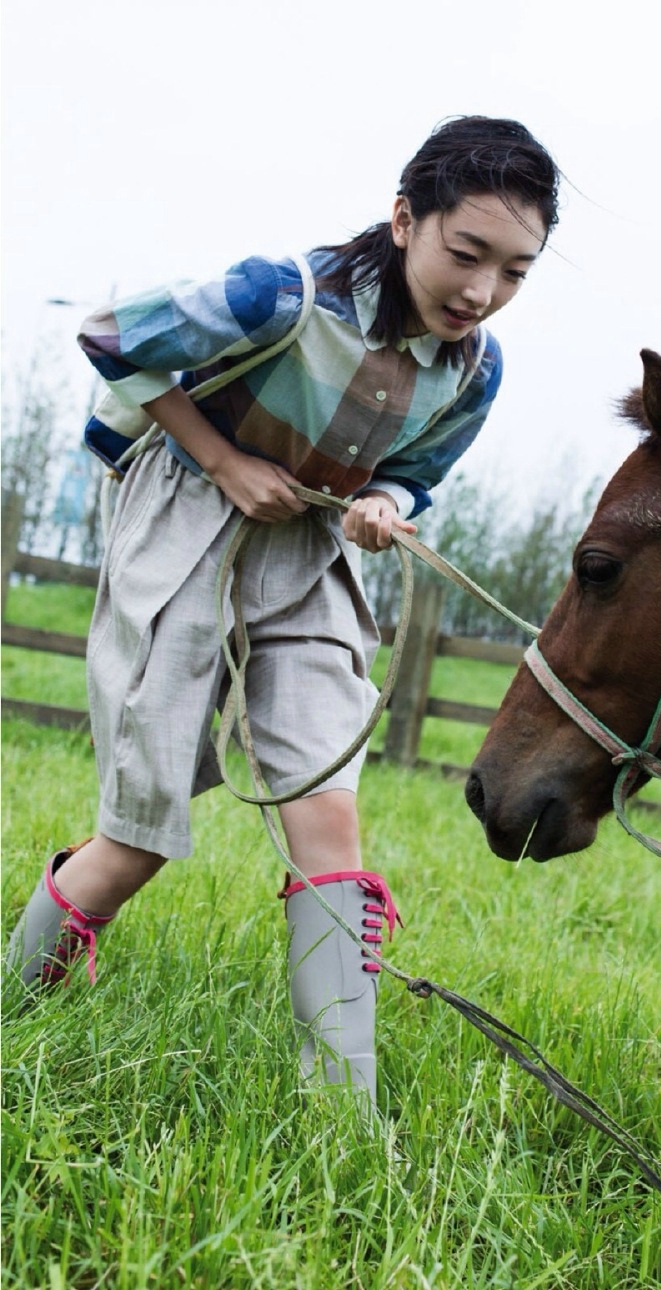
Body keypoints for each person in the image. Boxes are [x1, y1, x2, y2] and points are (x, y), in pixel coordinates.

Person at [5, 116, 560, 1111]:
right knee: (139, 833)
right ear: (404, 220)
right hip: (185, 519)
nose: (482, 292)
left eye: (516, 271)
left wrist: (388, 504)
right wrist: (222, 459)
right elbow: (110, 337)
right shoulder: (281, 294)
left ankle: (339, 1109)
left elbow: (415, 473)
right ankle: (19, 1002)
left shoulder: (475, 371)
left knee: (325, 805)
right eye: (466, 253)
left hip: (307, 558)